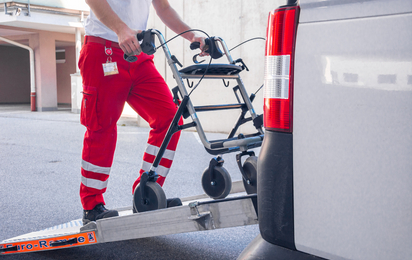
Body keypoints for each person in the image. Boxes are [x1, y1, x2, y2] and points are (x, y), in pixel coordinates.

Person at [79, 0, 207, 225]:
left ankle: (146, 194)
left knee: (170, 118)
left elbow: (164, 8)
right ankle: (92, 205)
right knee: (101, 126)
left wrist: (191, 35)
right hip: (104, 49)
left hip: (137, 54)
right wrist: (120, 29)